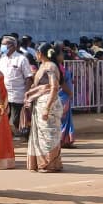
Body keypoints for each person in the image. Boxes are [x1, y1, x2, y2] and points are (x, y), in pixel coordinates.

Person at [26, 44, 71, 173]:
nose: (36, 55)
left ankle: (49, 163)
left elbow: (54, 87)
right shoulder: (42, 66)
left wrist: (47, 107)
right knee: (42, 134)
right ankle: (44, 163)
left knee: (49, 134)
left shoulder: (50, 66)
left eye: (37, 52)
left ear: (40, 53)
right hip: (40, 102)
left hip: (48, 103)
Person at [0, 36, 33, 140]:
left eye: (5, 44)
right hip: (4, 95)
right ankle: (7, 138)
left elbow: (29, 78)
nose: (2, 46)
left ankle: (26, 135)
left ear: (12, 46)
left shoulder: (21, 59)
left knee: (16, 120)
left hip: (18, 95)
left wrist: (26, 93)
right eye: (2, 44)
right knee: (4, 118)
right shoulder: (2, 59)